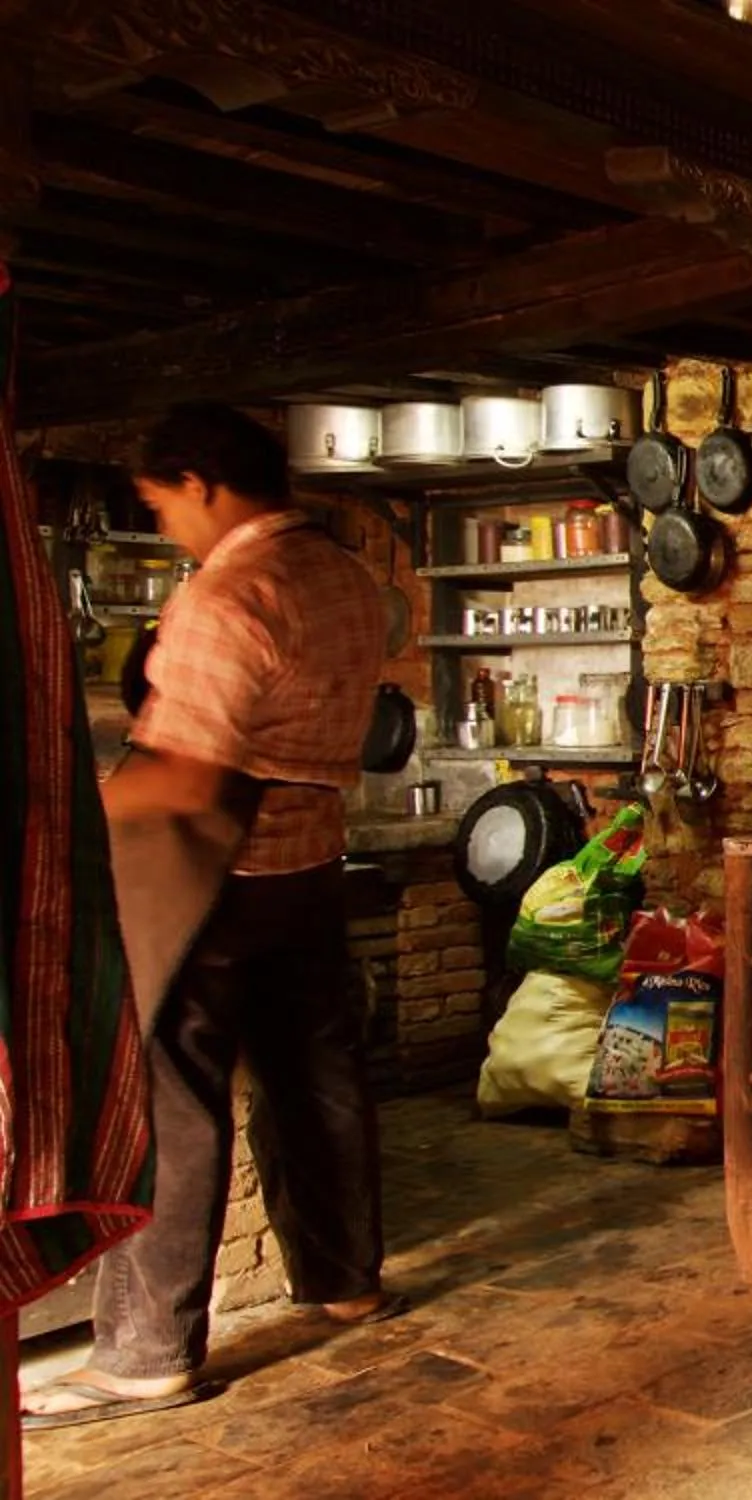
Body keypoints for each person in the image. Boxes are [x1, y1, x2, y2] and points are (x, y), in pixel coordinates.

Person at [22, 404, 399, 1428]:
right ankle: (344, 1278)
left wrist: (66, 830)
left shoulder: (229, 593)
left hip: (216, 869)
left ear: (199, 483)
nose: (170, 527)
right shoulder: (347, 579)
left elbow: (187, 778)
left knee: (171, 1100)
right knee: (314, 1073)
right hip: (310, 858)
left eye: (161, 506)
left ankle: (147, 1354)